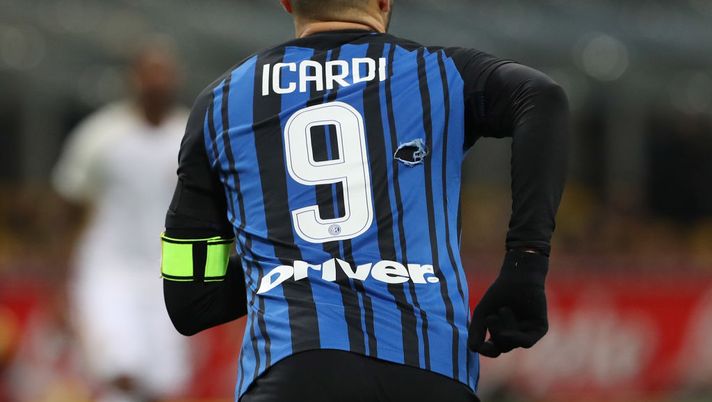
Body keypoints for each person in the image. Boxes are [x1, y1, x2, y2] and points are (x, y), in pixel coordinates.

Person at [161, 0, 569, 401]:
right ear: (384, 1)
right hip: (432, 368)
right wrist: (525, 262)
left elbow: (191, 299)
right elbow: (541, 98)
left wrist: (282, 261)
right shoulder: (441, 73)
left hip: (295, 369)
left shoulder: (221, 101)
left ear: (285, 3)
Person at [53, 42, 191, 402]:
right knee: (120, 369)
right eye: (149, 74)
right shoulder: (101, 135)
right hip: (109, 269)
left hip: (168, 272)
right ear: (134, 79)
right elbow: (69, 204)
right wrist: (59, 278)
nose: (156, 83)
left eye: (163, 74)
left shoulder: (188, 136)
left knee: (163, 382)